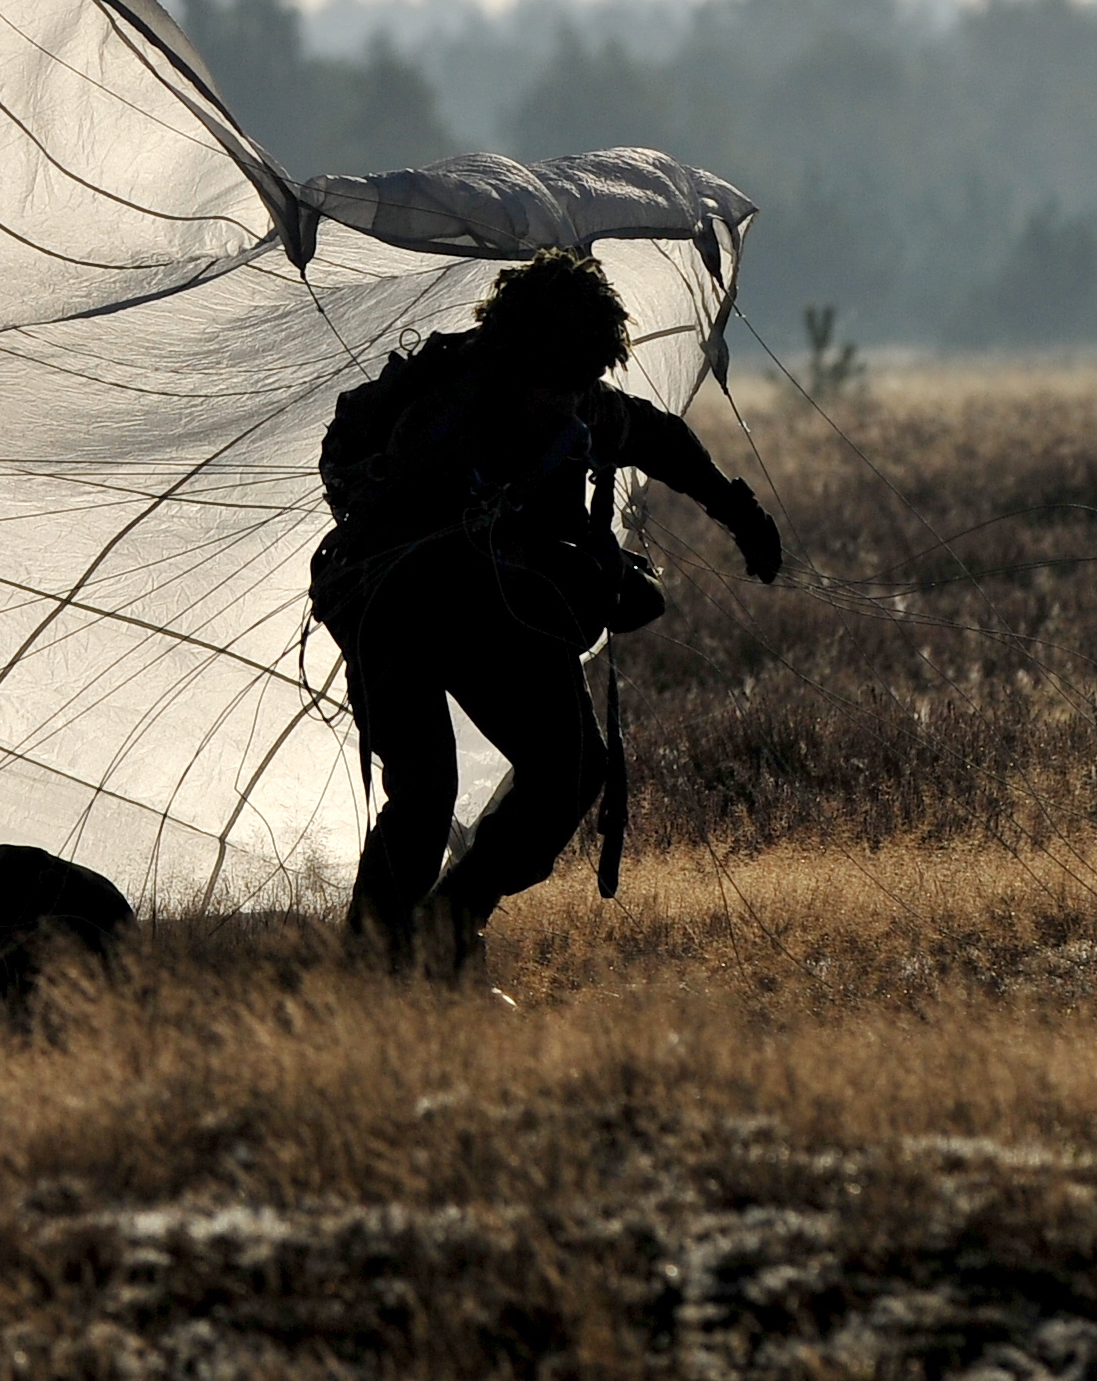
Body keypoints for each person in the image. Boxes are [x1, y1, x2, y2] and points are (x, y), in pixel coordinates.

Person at [310, 248, 781, 976]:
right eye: (559, 382)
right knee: (426, 794)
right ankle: (365, 973)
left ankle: (447, 931)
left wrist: (737, 511)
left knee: (571, 770)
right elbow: (403, 517)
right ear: (519, 356)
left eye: (584, 380)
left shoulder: (575, 400)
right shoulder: (443, 415)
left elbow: (659, 439)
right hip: (395, 609)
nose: (571, 398)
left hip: (490, 608)